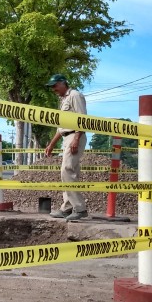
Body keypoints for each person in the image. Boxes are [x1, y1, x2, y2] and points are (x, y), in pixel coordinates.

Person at [43, 74, 88, 221]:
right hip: (66, 138)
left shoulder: (75, 95)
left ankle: (80, 209)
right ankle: (67, 208)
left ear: (63, 83)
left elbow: (83, 119)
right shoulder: (63, 101)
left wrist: (76, 138)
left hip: (75, 136)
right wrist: (51, 144)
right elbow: (60, 127)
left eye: (55, 85)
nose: (53, 89)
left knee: (66, 170)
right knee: (69, 173)